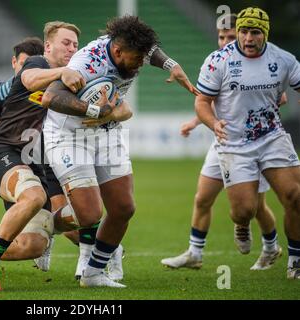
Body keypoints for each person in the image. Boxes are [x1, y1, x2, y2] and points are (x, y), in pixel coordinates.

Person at [42, 15, 199, 288]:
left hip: (107, 133)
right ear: (117, 51)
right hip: (68, 136)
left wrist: (172, 66)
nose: (140, 65)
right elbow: (50, 97)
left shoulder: (131, 46)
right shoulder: (87, 63)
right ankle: (42, 226)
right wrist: (96, 110)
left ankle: (93, 274)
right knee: (90, 215)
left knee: (123, 208)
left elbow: (151, 51)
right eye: (136, 60)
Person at [0, 21, 88, 292]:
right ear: (48, 46)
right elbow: (29, 80)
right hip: (2, 153)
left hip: (37, 165)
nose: (71, 48)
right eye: (66, 43)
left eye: (75, 45)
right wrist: (65, 72)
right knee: (34, 197)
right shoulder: (38, 64)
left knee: (33, 245)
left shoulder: (70, 80)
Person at [0, 37, 125, 278]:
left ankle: (104, 249)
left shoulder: (68, 83)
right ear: (15, 63)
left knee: (71, 219)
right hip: (22, 160)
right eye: (24, 64)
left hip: (52, 159)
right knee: (36, 225)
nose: (28, 69)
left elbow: (116, 106)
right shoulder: (10, 86)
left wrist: (105, 112)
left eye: (73, 45)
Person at [161, 13, 283, 271]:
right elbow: (208, 100)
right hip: (222, 143)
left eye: (230, 36)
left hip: (254, 144)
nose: (226, 41)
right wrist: (196, 123)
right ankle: (195, 253)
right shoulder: (219, 62)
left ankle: (271, 248)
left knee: (257, 206)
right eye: (221, 36)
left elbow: (279, 96)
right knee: (202, 197)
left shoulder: (258, 63)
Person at [195, 7, 300, 279]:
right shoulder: (218, 60)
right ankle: (241, 224)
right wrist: (212, 123)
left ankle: (296, 262)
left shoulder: (284, 59)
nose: (248, 38)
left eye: (255, 32)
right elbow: (202, 102)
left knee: (295, 197)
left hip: (272, 137)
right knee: (244, 211)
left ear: (265, 33)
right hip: (234, 144)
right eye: (243, 31)